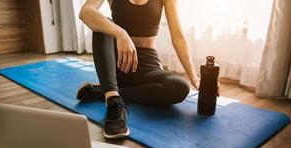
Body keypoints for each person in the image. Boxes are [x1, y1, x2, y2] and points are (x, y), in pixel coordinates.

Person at [78, 0, 200, 139]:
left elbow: (178, 37)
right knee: (103, 23)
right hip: (117, 62)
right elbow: (85, 12)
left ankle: (107, 92)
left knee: (180, 87)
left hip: (147, 66)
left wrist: (195, 78)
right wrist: (121, 33)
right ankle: (114, 104)